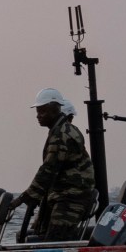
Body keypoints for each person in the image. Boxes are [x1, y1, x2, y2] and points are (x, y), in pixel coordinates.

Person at [20, 87, 98, 239]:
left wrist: (28, 195)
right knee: (41, 233)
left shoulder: (62, 134)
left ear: (55, 109)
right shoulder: (58, 131)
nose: (38, 116)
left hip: (71, 196)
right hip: (60, 194)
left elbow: (49, 168)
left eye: (42, 111)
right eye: (37, 112)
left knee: (56, 239)